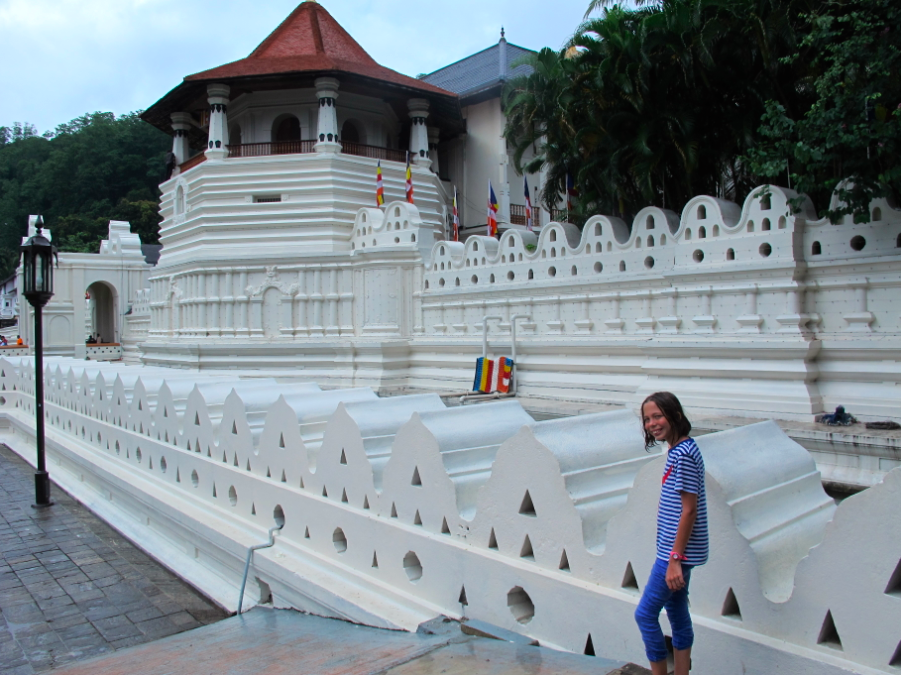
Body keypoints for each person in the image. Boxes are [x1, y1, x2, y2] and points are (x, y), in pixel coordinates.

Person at [634, 392, 708, 675]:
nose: (652, 424)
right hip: (675, 551)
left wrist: (675, 558)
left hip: (675, 554)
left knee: (645, 615)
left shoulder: (684, 455)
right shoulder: (678, 450)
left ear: (676, 415)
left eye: (658, 416)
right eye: (647, 419)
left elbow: (689, 510)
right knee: (677, 612)